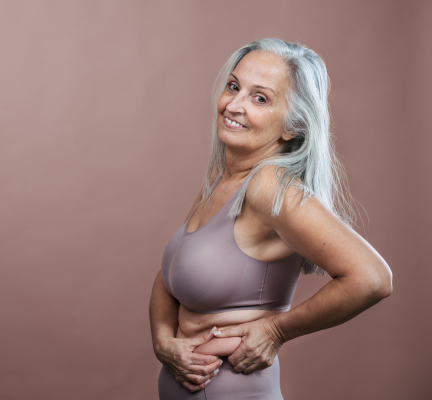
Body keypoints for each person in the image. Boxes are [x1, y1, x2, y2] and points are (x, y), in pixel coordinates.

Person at [149, 38, 393, 400]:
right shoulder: (223, 179)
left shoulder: (269, 185)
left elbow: (372, 279)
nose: (233, 105)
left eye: (259, 98)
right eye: (234, 86)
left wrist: (276, 331)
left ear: (292, 127)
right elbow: (169, 278)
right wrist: (163, 342)